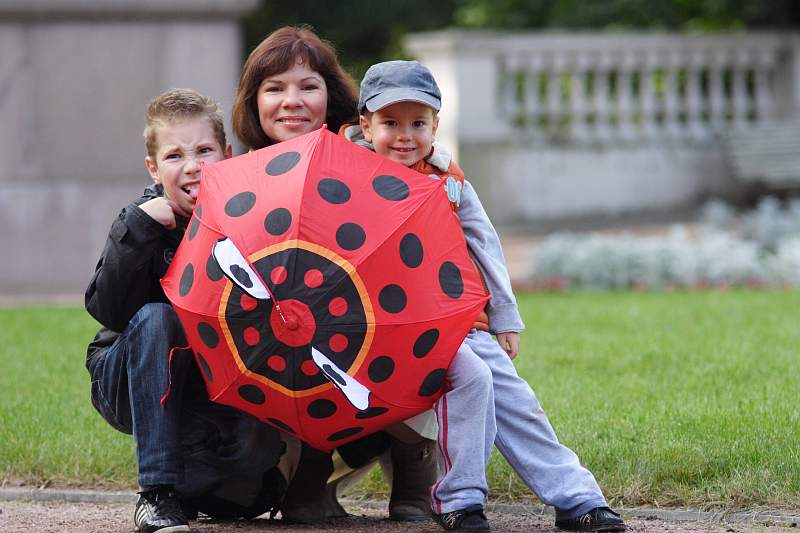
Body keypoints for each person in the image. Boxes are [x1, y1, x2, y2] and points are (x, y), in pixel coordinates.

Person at [350, 60, 627, 532]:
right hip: (395, 329)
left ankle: (577, 498)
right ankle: (459, 500)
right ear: (365, 125)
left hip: (461, 320)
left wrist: (504, 317)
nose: (404, 135)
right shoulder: (350, 177)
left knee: (516, 398)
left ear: (435, 124)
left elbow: (485, 245)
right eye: (390, 123)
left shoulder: (451, 183)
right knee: (473, 377)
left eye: (417, 123)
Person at [231, 25, 438, 523]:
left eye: (307, 86)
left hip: (369, 333)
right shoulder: (237, 178)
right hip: (280, 350)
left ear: (333, 95)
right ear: (254, 101)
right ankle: (311, 472)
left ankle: (414, 465)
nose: (291, 101)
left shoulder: (370, 160)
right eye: (274, 88)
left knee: (410, 331)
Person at [85, 88, 287, 533]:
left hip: (208, 380)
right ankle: (155, 494)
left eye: (204, 151)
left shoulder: (248, 222)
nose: (193, 166)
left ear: (228, 155)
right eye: (175, 156)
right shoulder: (139, 221)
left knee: (252, 457)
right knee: (159, 317)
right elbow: (108, 310)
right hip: (125, 374)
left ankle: (190, 487)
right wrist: (139, 230)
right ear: (154, 170)